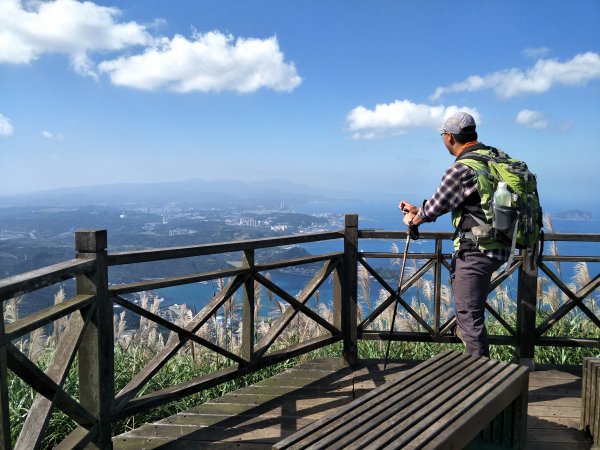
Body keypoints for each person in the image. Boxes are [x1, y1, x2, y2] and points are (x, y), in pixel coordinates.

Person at [399, 111, 511, 358]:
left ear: (449, 136)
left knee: (469, 317)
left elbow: (437, 204)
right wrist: (422, 210)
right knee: (471, 313)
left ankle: (480, 384)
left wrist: (413, 218)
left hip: (476, 251)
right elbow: (464, 202)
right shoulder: (492, 159)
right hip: (501, 245)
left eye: (442, 135)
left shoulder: (461, 169)